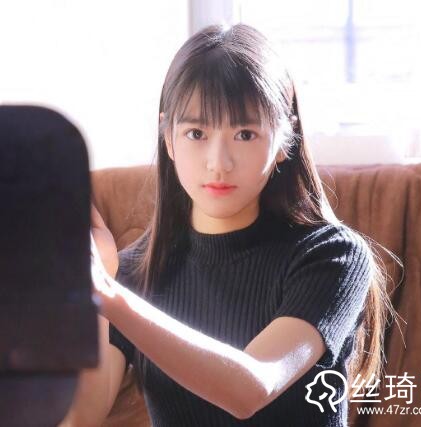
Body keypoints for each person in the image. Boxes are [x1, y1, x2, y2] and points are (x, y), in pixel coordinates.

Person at [61, 23, 398, 427]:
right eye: (196, 133)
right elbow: (81, 417)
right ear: (168, 138)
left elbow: (251, 387)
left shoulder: (333, 256)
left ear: (283, 140)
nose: (218, 163)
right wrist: (97, 280)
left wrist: (109, 296)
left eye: (244, 134)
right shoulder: (135, 273)